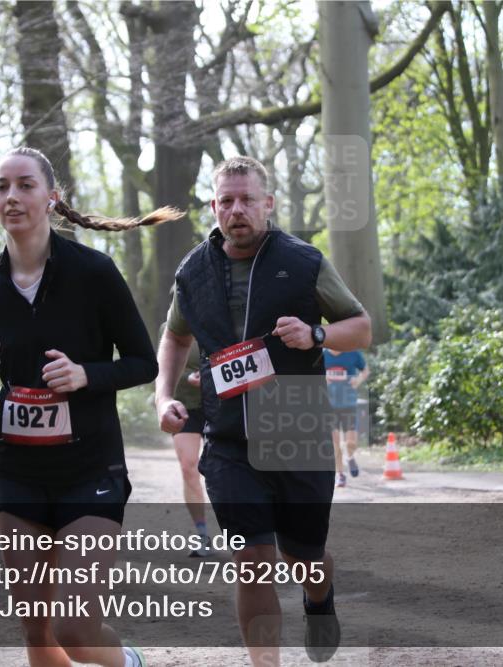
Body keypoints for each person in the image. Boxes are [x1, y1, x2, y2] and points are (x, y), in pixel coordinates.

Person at [0, 146, 181, 667]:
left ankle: (129, 662)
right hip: (17, 473)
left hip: (90, 470)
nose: (11, 196)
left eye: (25, 185)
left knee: (74, 628)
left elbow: (145, 363)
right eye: (1, 186)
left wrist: (86, 375)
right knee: (37, 634)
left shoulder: (93, 273)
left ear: (51, 198)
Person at [155, 156, 372, 666]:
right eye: (226, 201)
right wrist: (163, 394)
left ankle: (319, 597)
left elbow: (360, 327)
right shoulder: (193, 272)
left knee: (303, 559)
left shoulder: (302, 261)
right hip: (227, 436)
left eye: (247, 199)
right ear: (213, 207)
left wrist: (317, 334)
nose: (237, 210)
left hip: (295, 424)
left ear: (268, 204)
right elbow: (174, 336)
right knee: (251, 562)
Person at [159, 322, 211, 557]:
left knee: (227, 468)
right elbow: (163, 368)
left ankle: (245, 536)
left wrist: (209, 377)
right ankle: (203, 534)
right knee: (189, 466)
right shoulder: (168, 330)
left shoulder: (219, 321)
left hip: (218, 404)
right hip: (184, 405)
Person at [323, 348, 369, 488]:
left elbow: (365, 370)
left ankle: (350, 457)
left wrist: (358, 380)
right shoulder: (322, 355)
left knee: (351, 442)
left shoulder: (353, 353)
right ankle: (340, 474)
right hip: (329, 405)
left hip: (348, 403)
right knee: (335, 441)